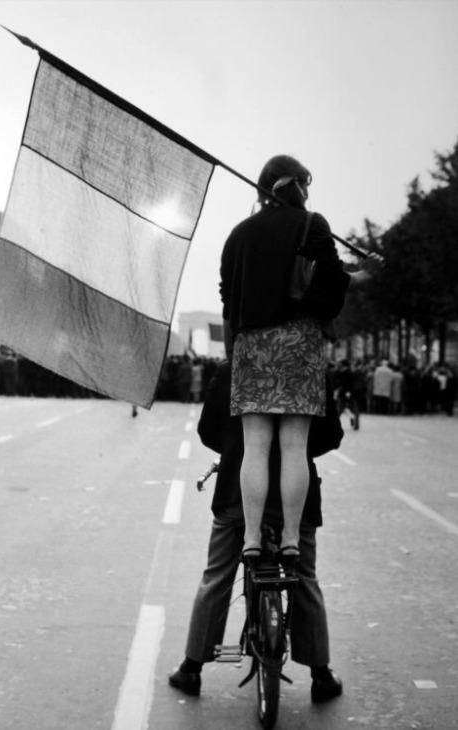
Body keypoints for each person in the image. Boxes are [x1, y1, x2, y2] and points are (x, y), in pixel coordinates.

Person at [219, 154, 380, 562]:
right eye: (307, 184)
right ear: (299, 186)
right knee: (294, 447)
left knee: (255, 447)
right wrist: (363, 273)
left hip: (253, 348)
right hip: (299, 346)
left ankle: (252, 539)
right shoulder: (313, 225)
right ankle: (291, 539)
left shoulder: (239, 234)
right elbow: (333, 279)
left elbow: (228, 298)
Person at [169, 361, 344, 702]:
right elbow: (330, 436)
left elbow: (208, 431)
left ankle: (191, 668)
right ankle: (321, 673)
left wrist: (237, 449)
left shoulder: (234, 367)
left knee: (217, 576)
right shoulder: (311, 366)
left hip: (238, 494)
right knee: (305, 578)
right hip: (297, 499)